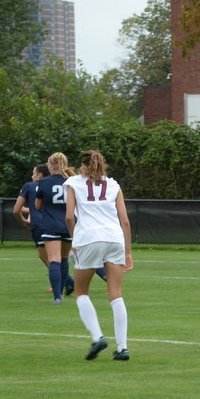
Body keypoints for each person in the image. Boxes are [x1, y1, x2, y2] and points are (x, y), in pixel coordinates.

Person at [64, 150, 133, 361]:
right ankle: (122, 348)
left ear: (83, 165)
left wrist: (75, 240)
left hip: (89, 238)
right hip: (114, 238)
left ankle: (98, 337)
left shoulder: (73, 183)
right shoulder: (113, 184)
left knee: (81, 291)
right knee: (116, 294)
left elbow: (69, 217)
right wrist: (128, 252)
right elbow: (125, 221)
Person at [35, 153, 76, 304]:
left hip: (50, 225)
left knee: (54, 259)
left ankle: (57, 296)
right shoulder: (72, 181)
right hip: (68, 225)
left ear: (51, 165)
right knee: (64, 258)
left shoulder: (44, 182)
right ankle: (61, 294)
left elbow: (38, 206)